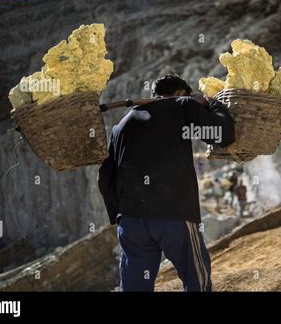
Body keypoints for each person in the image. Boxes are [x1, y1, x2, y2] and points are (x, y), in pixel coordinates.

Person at [98, 74, 235, 291]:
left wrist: (120, 215)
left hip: (131, 222)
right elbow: (223, 134)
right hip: (175, 215)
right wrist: (212, 103)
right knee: (196, 282)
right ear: (181, 93)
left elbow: (105, 177)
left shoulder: (120, 126)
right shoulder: (182, 105)